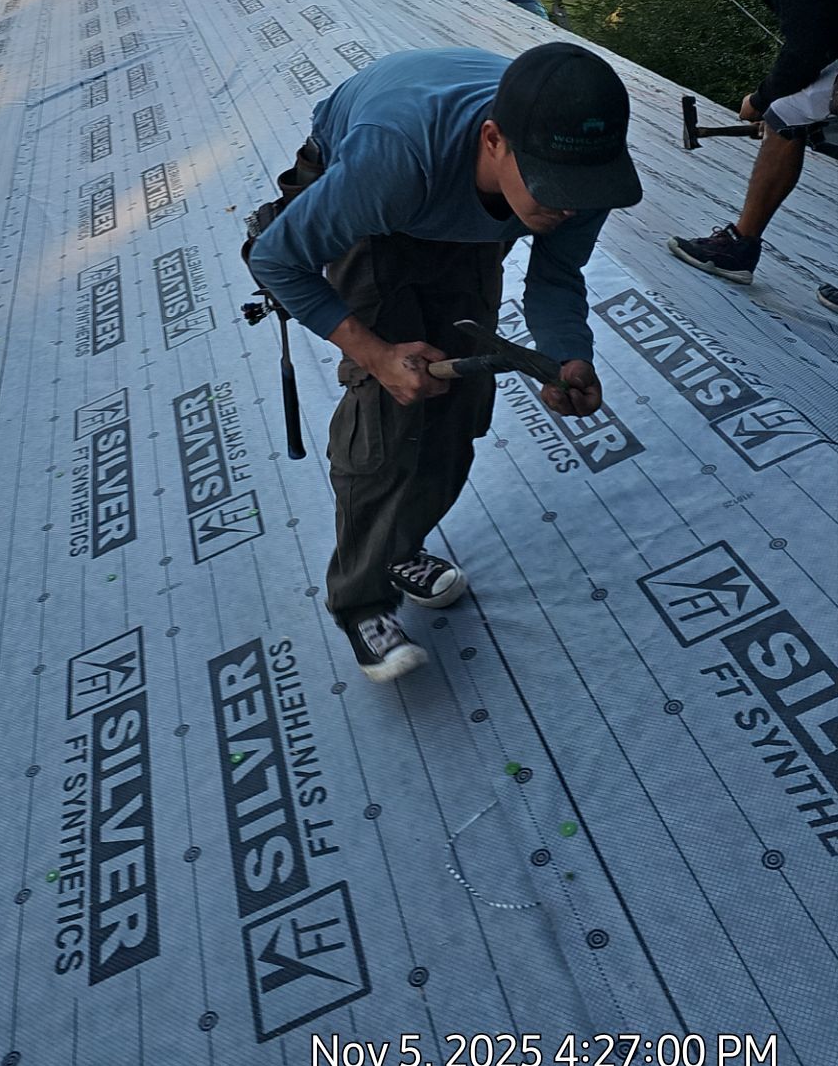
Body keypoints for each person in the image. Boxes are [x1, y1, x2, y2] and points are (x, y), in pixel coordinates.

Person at [247, 43, 642, 683]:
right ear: (493, 139)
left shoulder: (578, 172)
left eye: (581, 190)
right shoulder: (391, 162)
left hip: (460, 203)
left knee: (456, 402)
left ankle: (400, 547)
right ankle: (362, 603)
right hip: (384, 196)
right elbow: (274, 260)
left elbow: (558, 274)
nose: (568, 207)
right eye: (552, 188)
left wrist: (567, 354)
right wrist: (375, 354)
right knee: (390, 411)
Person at [668, 0, 838, 301]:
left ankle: (738, 249)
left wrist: (761, 101)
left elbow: (805, 55)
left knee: (785, 114)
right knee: (793, 113)